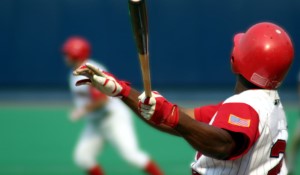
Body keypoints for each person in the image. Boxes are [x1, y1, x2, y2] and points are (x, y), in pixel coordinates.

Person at [73, 22, 294, 175]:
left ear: (236, 60)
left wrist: (172, 115)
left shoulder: (247, 107)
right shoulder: (267, 104)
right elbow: (181, 120)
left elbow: (224, 144)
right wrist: (121, 91)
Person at [62, 36, 164, 175]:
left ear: (76, 54)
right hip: (96, 122)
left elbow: (102, 100)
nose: (65, 56)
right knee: (83, 157)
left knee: (131, 155)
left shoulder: (89, 70)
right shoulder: (75, 73)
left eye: (68, 53)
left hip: (113, 118)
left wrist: (82, 110)